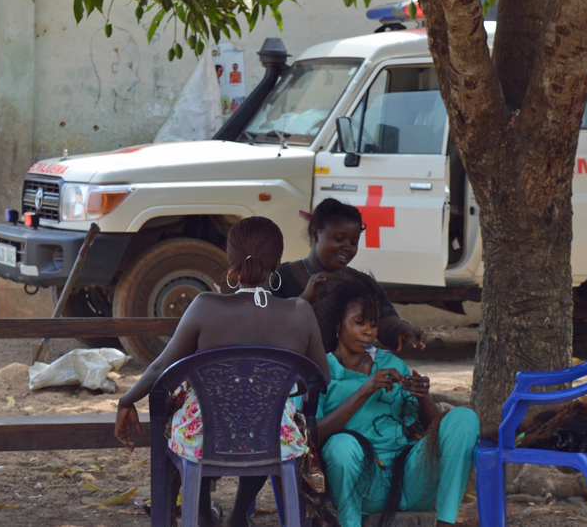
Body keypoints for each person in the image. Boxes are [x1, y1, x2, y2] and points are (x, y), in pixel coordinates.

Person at [114, 216, 329, 527]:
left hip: (203, 437)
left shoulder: (204, 306)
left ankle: (201, 514)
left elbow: (161, 367)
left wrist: (126, 400)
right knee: (271, 417)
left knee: (185, 410)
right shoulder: (300, 312)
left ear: (231, 261)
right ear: (278, 262)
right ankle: (239, 515)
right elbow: (320, 377)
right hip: (271, 437)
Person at [312, 271, 479, 527]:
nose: (368, 331)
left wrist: (423, 397)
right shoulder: (324, 371)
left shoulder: (392, 363)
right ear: (337, 323)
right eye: (359, 322)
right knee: (340, 445)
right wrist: (365, 390)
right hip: (363, 488)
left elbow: (437, 431)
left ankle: (446, 522)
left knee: (464, 418)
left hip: (411, 480)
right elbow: (313, 435)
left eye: (373, 325)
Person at [275, 198, 425, 351]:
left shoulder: (362, 283)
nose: (347, 247)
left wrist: (402, 329)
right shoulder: (280, 277)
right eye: (339, 239)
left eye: (354, 242)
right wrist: (303, 300)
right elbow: (269, 327)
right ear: (316, 234)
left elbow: (386, 325)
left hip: (342, 367)